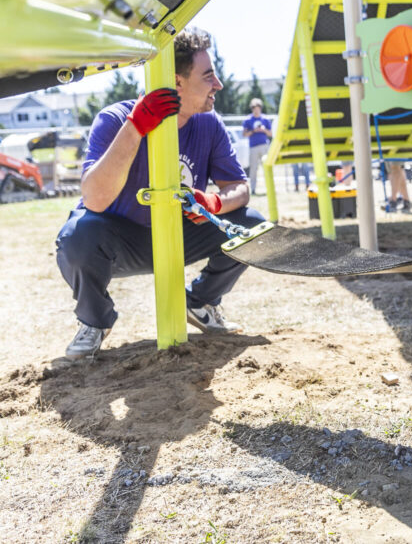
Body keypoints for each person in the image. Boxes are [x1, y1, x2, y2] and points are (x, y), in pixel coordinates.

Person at [58, 28, 265, 360]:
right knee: (76, 235)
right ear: (177, 82)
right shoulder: (114, 119)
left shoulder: (209, 124)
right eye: (208, 75)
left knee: (252, 225)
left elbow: (241, 189)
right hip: (120, 239)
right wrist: (136, 127)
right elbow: (94, 199)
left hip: (178, 233)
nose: (219, 85)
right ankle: (94, 322)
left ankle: (199, 302)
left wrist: (215, 202)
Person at [242, 97, 273, 194]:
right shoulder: (248, 120)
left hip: (264, 146)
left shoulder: (265, 119)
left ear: (260, 108)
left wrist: (263, 130)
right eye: (254, 108)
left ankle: (270, 188)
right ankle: (253, 189)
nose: (256, 110)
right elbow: (244, 134)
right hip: (253, 147)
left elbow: (270, 134)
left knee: (267, 168)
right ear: (252, 108)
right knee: (253, 169)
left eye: (258, 108)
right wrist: (253, 131)